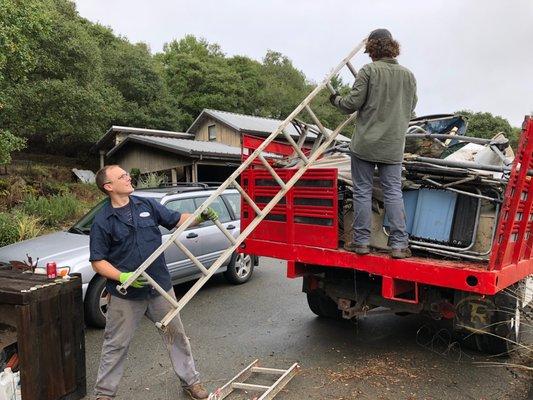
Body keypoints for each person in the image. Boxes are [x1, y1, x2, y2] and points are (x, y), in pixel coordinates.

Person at [89, 165, 217, 400]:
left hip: (159, 287)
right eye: (122, 176)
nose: (128, 178)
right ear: (109, 186)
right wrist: (122, 276)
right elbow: (98, 261)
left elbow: (178, 220)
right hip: (125, 294)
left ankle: (191, 382)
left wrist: (199, 216)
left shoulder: (146, 205)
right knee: (115, 345)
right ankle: (104, 394)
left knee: (176, 336)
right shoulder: (102, 220)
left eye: (127, 174)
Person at [330, 28, 417, 259]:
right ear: (392, 47)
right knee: (393, 193)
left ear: (372, 48)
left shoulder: (368, 71)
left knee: (362, 192)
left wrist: (335, 99)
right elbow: (411, 109)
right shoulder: (408, 76)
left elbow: (351, 104)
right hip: (392, 146)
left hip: (365, 145)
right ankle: (399, 245)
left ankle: (361, 243)